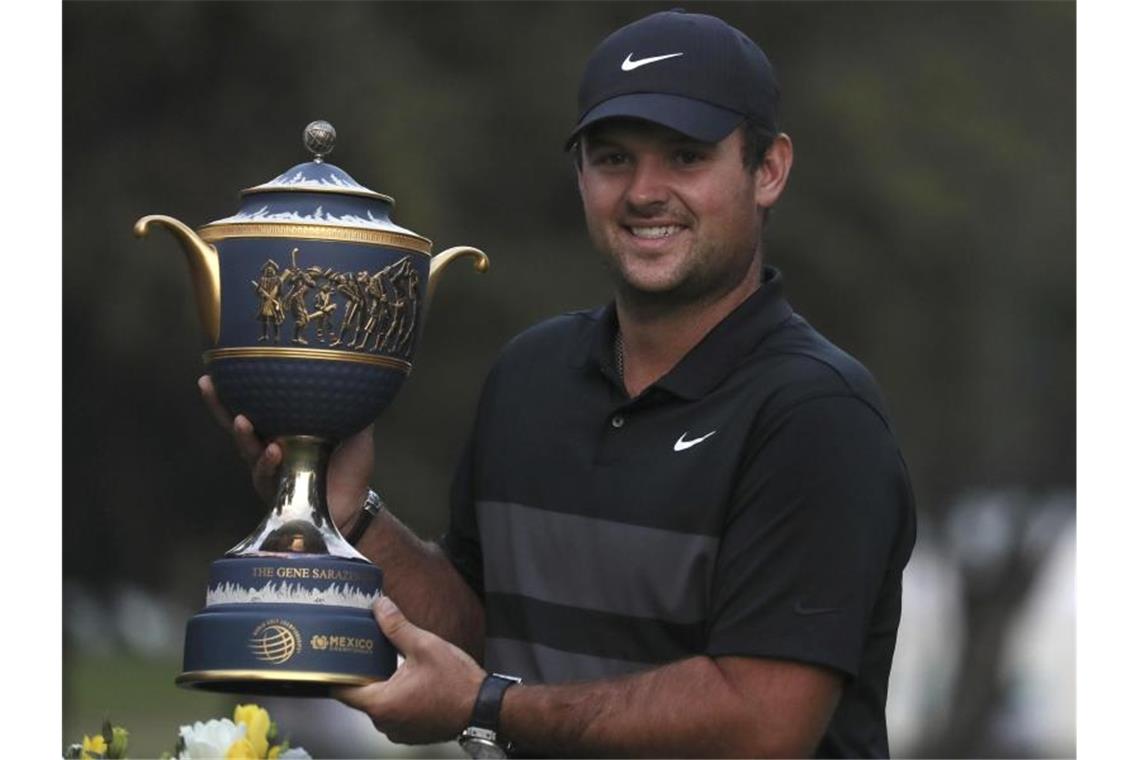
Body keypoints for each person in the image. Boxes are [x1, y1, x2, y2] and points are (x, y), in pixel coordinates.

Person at [202, 10, 915, 757]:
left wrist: (484, 707)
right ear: (580, 175)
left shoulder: (816, 415)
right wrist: (350, 519)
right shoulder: (530, 375)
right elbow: (482, 629)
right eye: (612, 159)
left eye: (685, 157)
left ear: (767, 169)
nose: (644, 191)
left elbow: (761, 725)